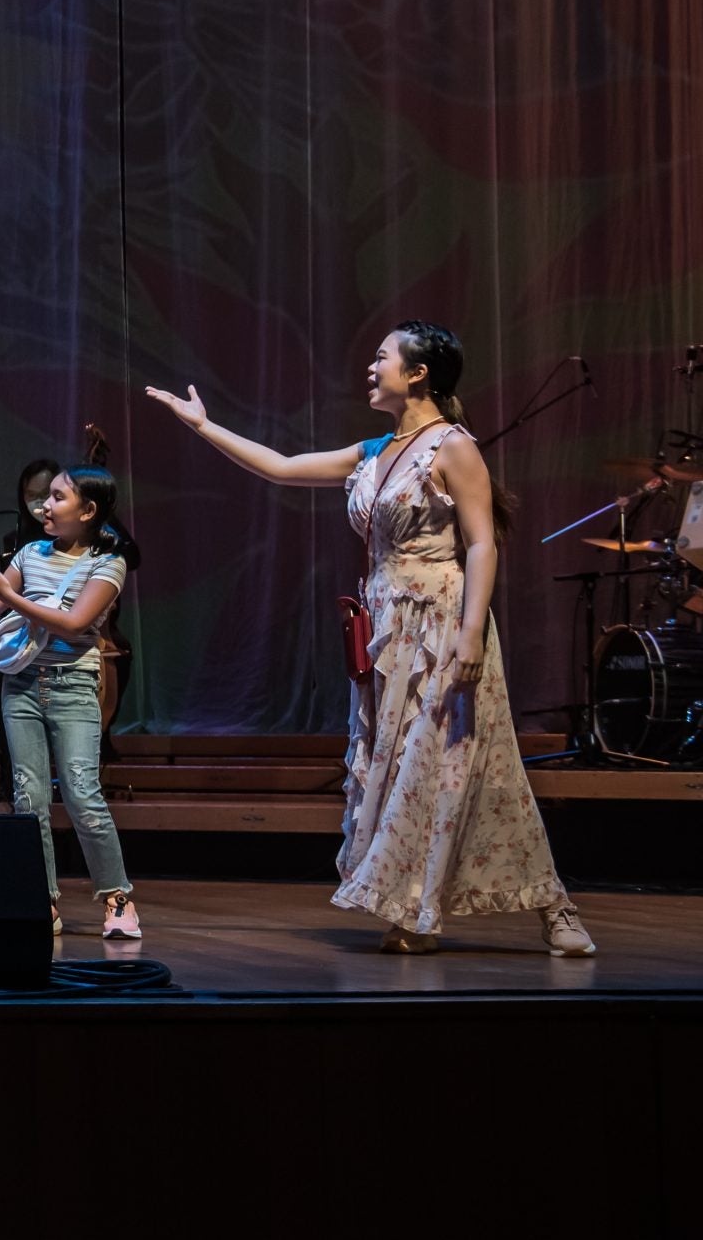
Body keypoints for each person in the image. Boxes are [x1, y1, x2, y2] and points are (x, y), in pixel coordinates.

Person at [148, 322, 596, 955]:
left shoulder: (452, 447)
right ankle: (415, 910)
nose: (371, 366)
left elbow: (481, 543)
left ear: (418, 373)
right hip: (388, 629)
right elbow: (281, 468)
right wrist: (203, 426)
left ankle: (551, 906)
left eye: (382, 357)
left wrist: (471, 634)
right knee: (403, 764)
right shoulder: (375, 450)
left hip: (441, 621)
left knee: (453, 763)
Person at [0, 468, 142, 940]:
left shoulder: (108, 563)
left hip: (73, 686)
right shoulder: (30, 553)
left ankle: (117, 898)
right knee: (29, 798)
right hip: (22, 686)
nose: (44, 506)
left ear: (87, 511)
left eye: (57, 497)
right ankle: (43, 900)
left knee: (82, 792)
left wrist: (10, 596)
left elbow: (73, 624)